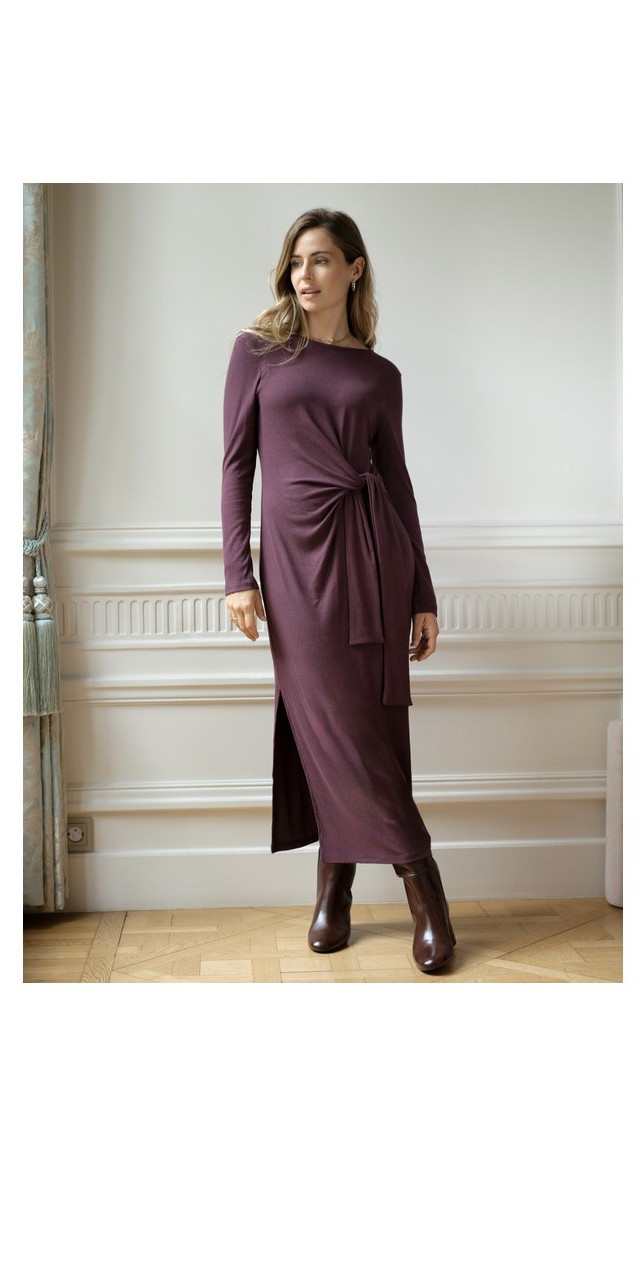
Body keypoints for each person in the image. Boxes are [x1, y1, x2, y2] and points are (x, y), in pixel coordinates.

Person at [221, 208, 456, 974]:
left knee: (368, 727)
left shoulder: (379, 376)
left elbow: (398, 482)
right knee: (330, 723)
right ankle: (412, 887)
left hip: (373, 562)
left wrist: (421, 592)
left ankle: (347, 891)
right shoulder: (257, 353)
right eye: (297, 261)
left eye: (321, 259)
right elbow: (236, 465)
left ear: (354, 269)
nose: (305, 274)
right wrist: (237, 575)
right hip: (295, 571)